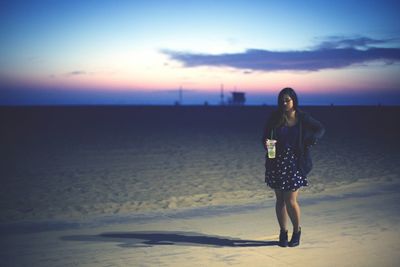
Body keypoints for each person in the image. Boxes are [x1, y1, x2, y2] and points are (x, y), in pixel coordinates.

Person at [262, 87, 325, 247]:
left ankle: (297, 231)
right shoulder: (275, 117)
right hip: (276, 163)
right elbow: (266, 137)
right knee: (280, 201)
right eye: (282, 100)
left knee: (290, 201)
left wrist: (310, 140)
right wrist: (269, 151)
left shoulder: (302, 117)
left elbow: (320, 129)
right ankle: (283, 232)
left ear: (293, 100)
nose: (284, 103)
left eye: (287, 100)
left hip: (295, 164)